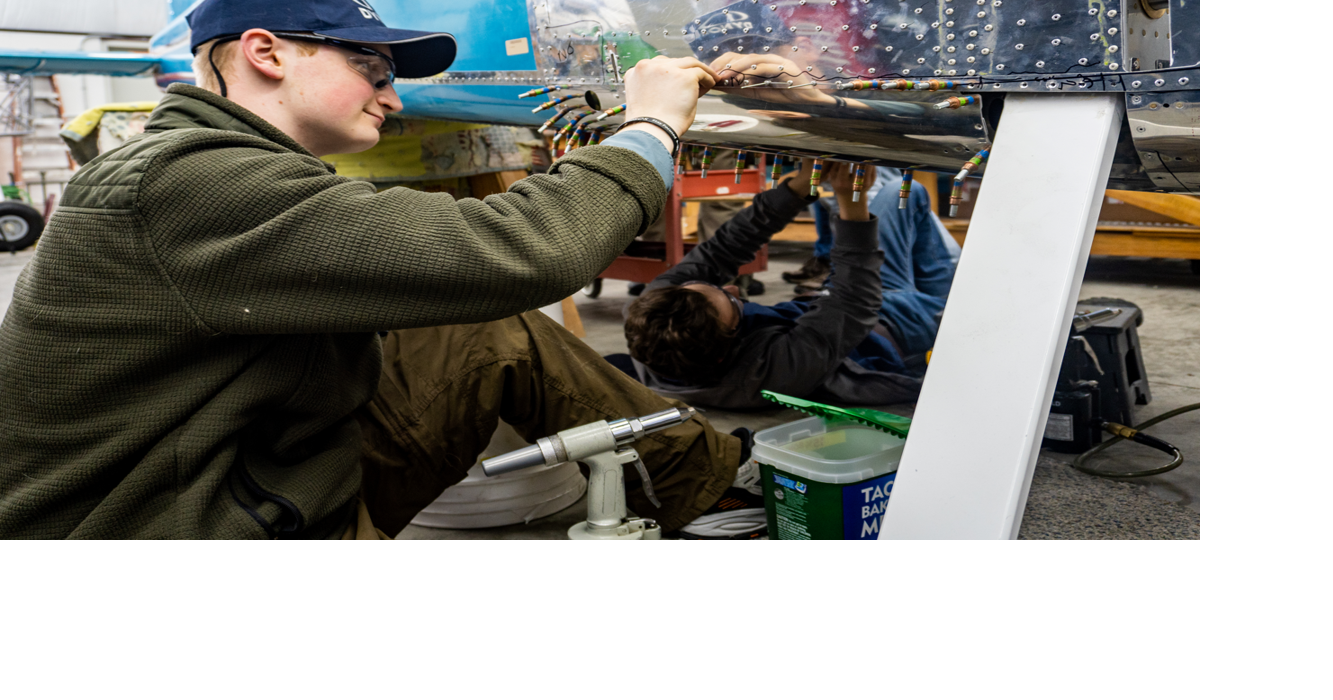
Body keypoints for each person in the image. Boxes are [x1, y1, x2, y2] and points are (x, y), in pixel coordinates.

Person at [0, 0, 764, 540]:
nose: (393, 98)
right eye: (370, 68)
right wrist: (649, 125)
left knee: (482, 331)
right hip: (176, 521)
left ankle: (710, 480)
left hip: (239, 474)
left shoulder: (217, 168)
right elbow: (526, 247)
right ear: (266, 53)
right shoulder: (187, 182)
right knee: (493, 286)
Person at [622, 153, 953, 410]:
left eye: (714, 287)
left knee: (903, 192)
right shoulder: (766, 376)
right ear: (727, 349)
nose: (733, 287)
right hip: (887, 330)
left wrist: (800, 186)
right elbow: (854, 303)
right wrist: (851, 199)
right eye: (734, 303)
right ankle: (951, 306)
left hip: (833, 303)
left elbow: (725, 247)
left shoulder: (656, 310)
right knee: (970, 306)